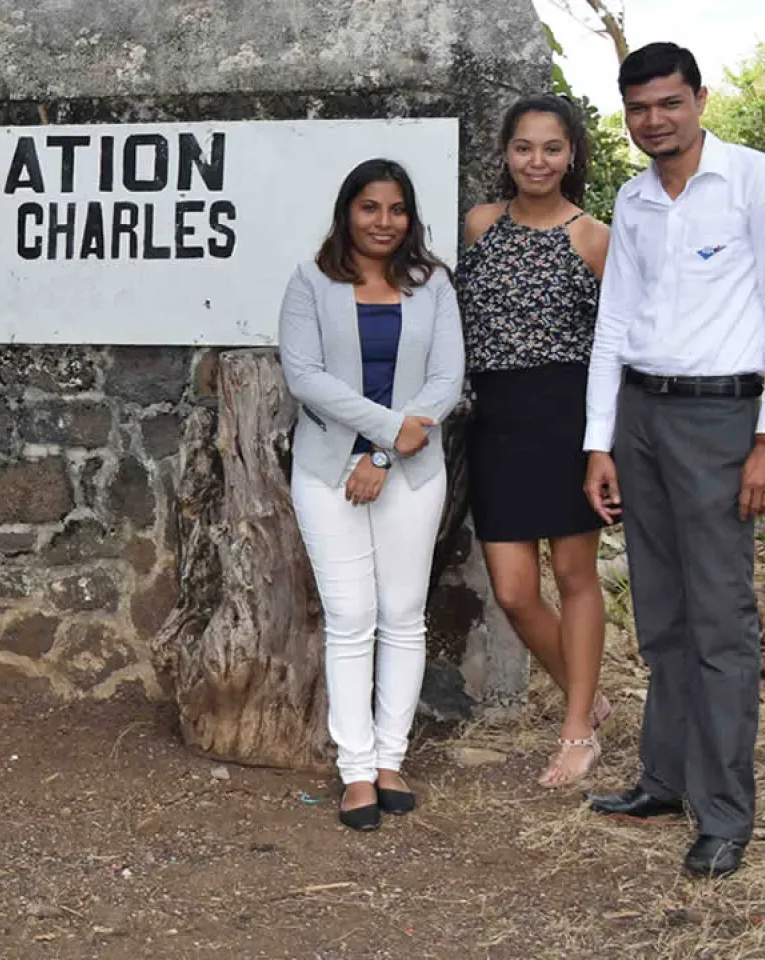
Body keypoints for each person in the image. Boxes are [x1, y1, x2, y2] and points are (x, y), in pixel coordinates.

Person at [582, 42, 765, 880]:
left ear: (698, 99)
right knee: (659, 613)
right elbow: (613, 322)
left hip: (724, 416)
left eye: (668, 103)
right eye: (638, 107)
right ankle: (663, 778)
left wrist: (764, 439)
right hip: (641, 418)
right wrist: (599, 442)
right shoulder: (633, 197)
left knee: (721, 620)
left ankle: (725, 812)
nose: (654, 120)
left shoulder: (752, 182)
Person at [279, 158, 464, 832]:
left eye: (396, 209)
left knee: (403, 612)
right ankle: (355, 769)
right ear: (347, 213)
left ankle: (392, 758)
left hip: (410, 472)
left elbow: (446, 378)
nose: (383, 222)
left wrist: (384, 454)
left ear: (410, 217)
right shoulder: (312, 281)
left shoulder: (432, 283)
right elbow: (305, 377)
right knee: (352, 616)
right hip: (329, 470)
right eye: (369, 208)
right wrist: (383, 434)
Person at [456, 94, 614, 788]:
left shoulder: (594, 237)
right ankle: (589, 693)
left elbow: (615, 346)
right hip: (496, 422)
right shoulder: (480, 226)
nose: (537, 161)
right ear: (506, 153)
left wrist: (604, 443)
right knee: (516, 592)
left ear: (572, 154)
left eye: (552, 148)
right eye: (524, 147)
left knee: (576, 578)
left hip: (568, 420)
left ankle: (577, 730)